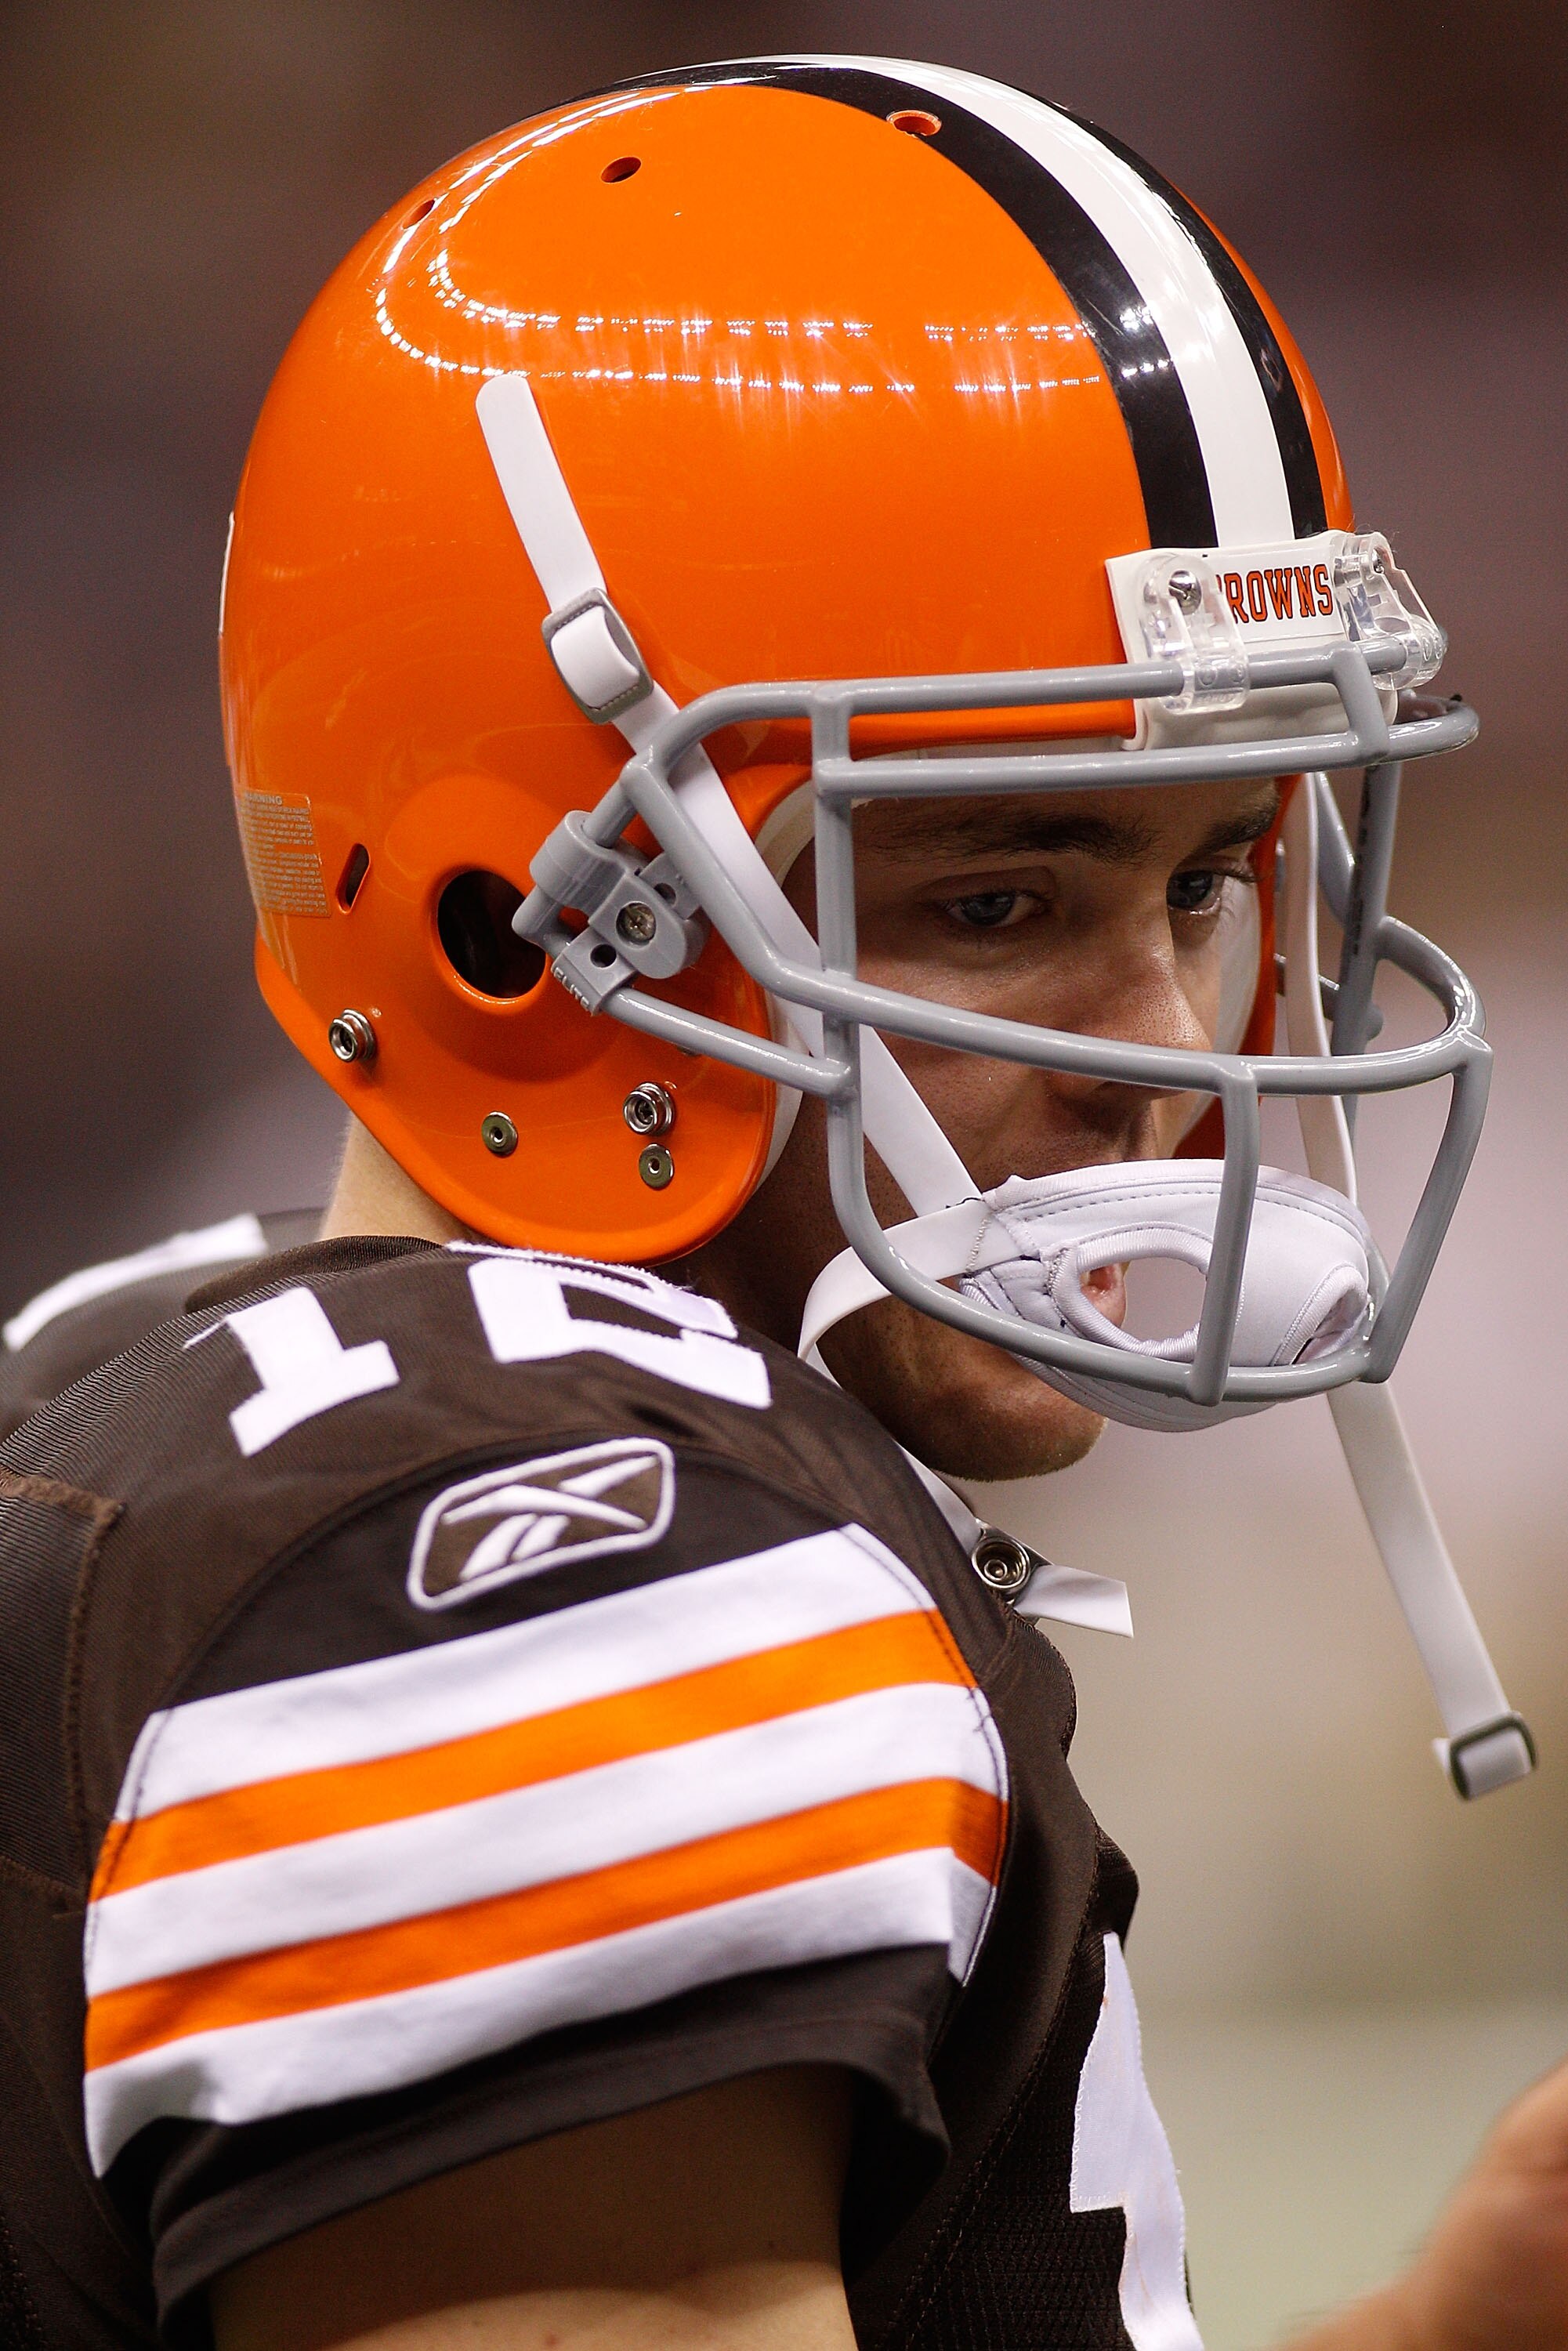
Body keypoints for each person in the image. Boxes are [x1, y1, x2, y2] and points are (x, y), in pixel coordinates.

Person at [0, 54, 1558, 2351]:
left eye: (1212, 876)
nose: (1176, 1054)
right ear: (502, 934)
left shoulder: (172, 1367)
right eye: (1006, 900)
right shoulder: (545, 1573)